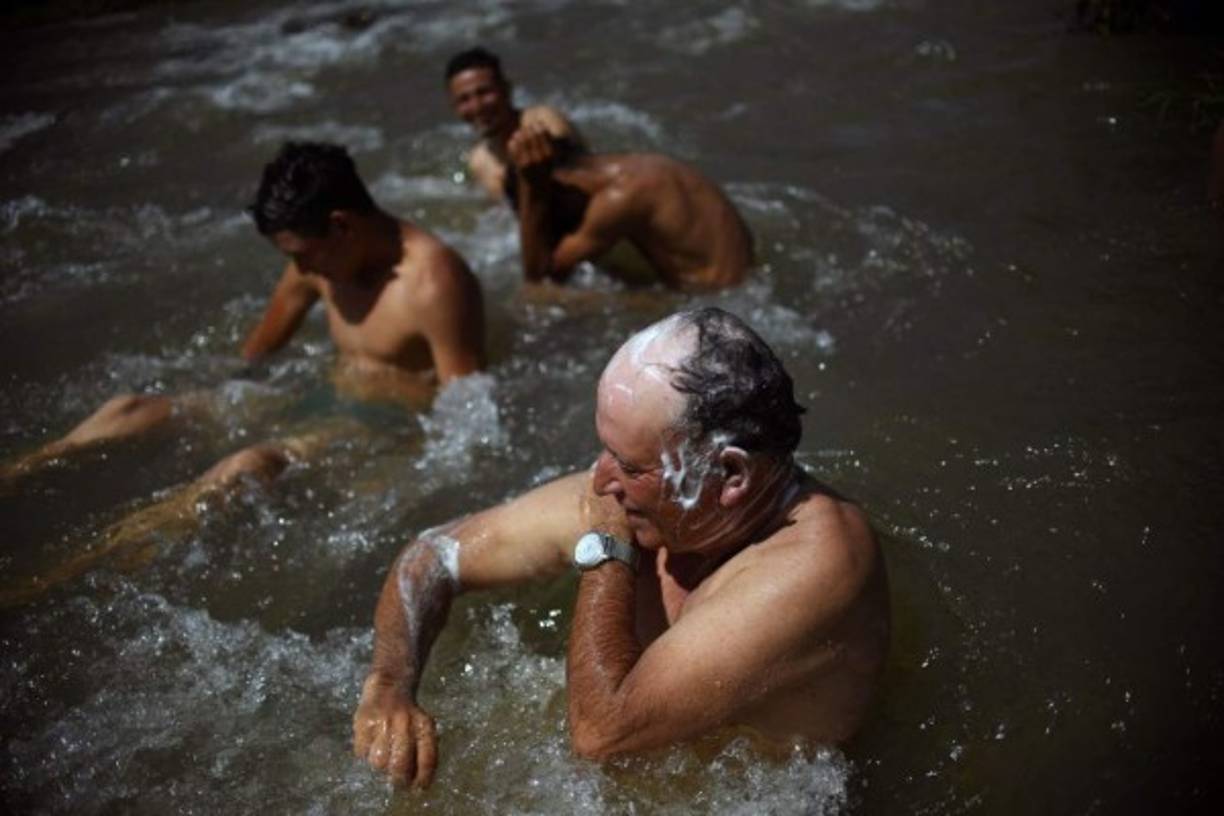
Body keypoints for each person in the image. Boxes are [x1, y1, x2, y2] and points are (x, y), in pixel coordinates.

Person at [352, 307, 889, 788]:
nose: (601, 480)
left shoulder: (813, 563)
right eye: (605, 451)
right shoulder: (660, 499)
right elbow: (432, 555)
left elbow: (601, 736)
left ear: (729, 475)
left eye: (629, 466)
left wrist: (605, 547)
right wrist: (390, 686)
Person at [3, 141, 485, 484]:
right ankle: (18, 474)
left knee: (244, 466)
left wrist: (393, 476)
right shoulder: (324, 260)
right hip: (326, 394)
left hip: (383, 427)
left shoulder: (435, 284)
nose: (297, 269)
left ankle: (81, 564)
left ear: (341, 226)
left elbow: (466, 417)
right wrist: (219, 403)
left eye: (301, 253)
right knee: (127, 409)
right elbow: (254, 356)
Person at [506, 129, 755, 291]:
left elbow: (541, 279)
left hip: (714, 301)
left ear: (561, 187)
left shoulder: (619, 198)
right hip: (743, 288)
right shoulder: (639, 167)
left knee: (547, 300)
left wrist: (532, 190)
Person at [445, 47, 588, 207]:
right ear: (454, 107)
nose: (477, 106)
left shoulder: (543, 122)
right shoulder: (478, 162)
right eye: (464, 99)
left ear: (506, 89)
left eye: (484, 92)